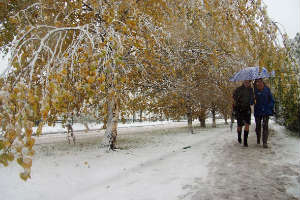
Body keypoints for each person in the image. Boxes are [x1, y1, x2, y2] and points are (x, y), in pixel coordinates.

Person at [254, 78, 274, 148]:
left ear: (262, 82)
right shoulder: (254, 90)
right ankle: (258, 137)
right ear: (256, 83)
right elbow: (251, 101)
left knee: (265, 126)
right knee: (258, 126)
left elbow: (271, 100)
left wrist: (269, 106)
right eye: (257, 82)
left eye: (260, 81)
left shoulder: (267, 89)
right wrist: (253, 100)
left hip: (265, 111)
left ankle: (265, 142)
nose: (259, 83)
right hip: (257, 111)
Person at [232, 80, 254, 147]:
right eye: (246, 82)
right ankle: (239, 136)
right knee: (240, 125)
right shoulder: (238, 89)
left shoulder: (251, 90)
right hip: (239, 109)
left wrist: (252, 100)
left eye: (248, 82)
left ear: (250, 82)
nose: (247, 83)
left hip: (247, 109)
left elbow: (252, 101)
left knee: (247, 124)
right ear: (243, 82)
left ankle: (245, 141)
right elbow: (233, 98)